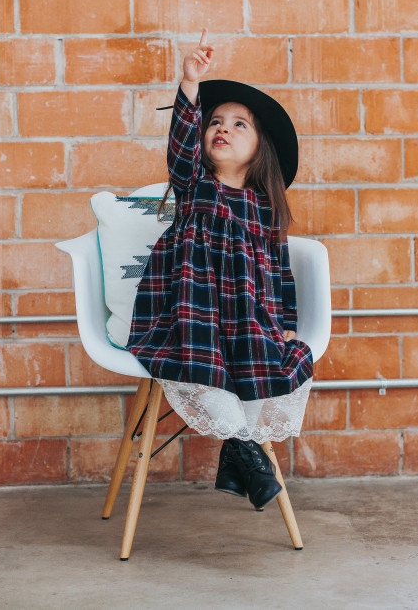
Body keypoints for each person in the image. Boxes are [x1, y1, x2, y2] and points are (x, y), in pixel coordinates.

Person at [128, 30, 314, 510]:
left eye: (239, 125)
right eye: (215, 121)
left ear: (260, 149)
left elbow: (280, 271)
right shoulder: (195, 184)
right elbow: (182, 148)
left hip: (246, 317)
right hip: (192, 311)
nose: (222, 129)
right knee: (200, 363)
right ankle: (247, 454)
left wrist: (287, 324)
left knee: (265, 361)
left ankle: (238, 456)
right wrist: (191, 84)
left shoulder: (264, 209)